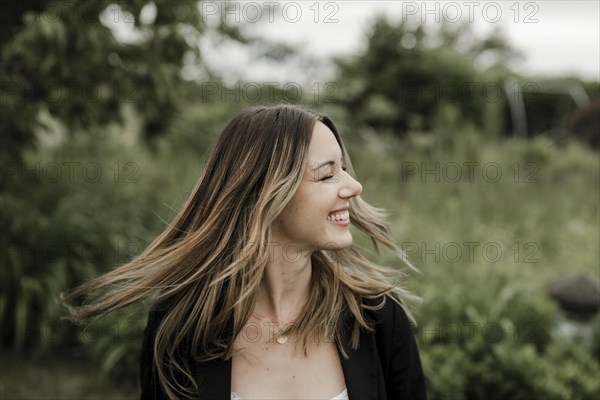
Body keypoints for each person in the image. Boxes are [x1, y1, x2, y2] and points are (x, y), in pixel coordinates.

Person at [66, 104, 426, 399]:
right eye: (327, 174)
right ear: (266, 192)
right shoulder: (181, 324)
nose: (355, 186)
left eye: (344, 169)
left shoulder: (378, 317)